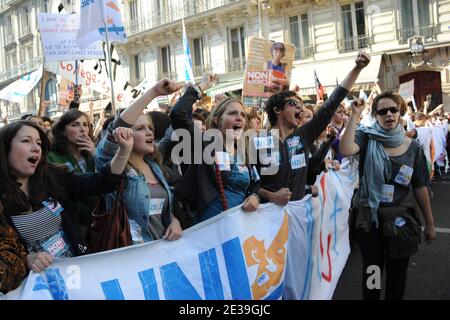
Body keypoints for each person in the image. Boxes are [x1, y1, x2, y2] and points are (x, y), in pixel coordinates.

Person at [0, 121, 132, 293]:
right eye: (26, 141)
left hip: (78, 278)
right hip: (39, 290)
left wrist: (124, 150)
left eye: (39, 143)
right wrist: (26, 260)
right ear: (5, 148)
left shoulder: (52, 177)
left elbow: (102, 182)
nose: (35, 148)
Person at [339, 92, 436, 300]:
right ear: (375, 115)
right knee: (372, 271)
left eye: (393, 109)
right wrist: (355, 115)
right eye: (383, 111)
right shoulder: (366, 137)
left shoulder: (414, 148)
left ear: (400, 112)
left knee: (397, 274)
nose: (389, 114)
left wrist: (429, 223)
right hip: (370, 220)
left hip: (400, 222)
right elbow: (346, 149)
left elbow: (420, 187)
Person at [255, 51, 371, 205]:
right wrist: (272, 196)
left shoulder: (303, 136)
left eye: (300, 105)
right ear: (277, 110)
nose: (300, 109)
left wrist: (357, 69)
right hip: (267, 218)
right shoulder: (257, 141)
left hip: (299, 216)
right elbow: (250, 184)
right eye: (293, 104)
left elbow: (331, 104)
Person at [96, 78, 184, 243]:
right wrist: (154, 92)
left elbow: (161, 208)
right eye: (140, 128)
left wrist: (174, 220)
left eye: (150, 128)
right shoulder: (115, 166)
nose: (149, 133)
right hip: (132, 255)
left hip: (163, 249)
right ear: (123, 134)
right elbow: (115, 129)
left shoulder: (154, 166)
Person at [171, 83, 261, 227]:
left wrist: (255, 196)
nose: (240, 118)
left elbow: (256, 183)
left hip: (236, 229)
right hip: (206, 232)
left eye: (243, 115)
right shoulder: (205, 143)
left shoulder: (245, 151)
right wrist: (199, 88)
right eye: (232, 113)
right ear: (217, 120)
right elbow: (178, 114)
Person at [48, 109, 97, 236]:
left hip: (99, 220)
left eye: (85, 125)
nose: (82, 129)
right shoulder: (52, 157)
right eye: (75, 125)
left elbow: (107, 179)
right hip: (76, 224)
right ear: (63, 131)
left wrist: (96, 155)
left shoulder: (94, 153)